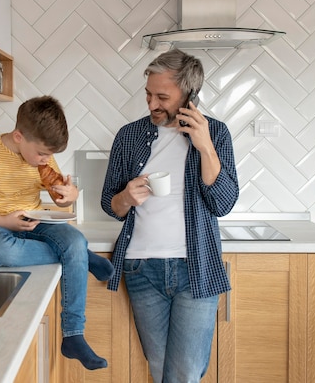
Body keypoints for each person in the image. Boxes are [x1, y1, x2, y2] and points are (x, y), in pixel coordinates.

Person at [101, 49, 239, 382]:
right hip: (141, 268)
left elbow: (223, 203)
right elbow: (111, 205)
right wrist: (126, 196)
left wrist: (204, 146)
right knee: (160, 366)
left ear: (189, 94)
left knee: (185, 372)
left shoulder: (215, 133)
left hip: (196, 268)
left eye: (162, 96)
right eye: (148, 94)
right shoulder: (129, 136)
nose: (151, 104)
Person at [0, 95, 114, 371]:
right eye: (42, 153)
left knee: (74, 238)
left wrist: (69, 196)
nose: (47, 160)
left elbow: (61, 199)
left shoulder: (42, 160)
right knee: (0, 251)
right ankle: (80, 258)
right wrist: (3, 221)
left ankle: (73, 335)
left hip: (37, 222)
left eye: (50, 155)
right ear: (18, 137)